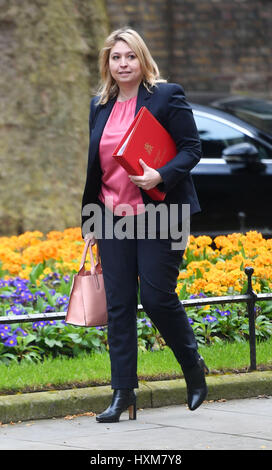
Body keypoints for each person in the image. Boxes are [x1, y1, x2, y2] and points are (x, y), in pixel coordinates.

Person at [81, 27, 209, 423]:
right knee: (119, 307)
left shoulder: (167, 96)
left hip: (160, 213)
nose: (123, 64)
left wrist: (161, 176)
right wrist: (89, 219)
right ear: (108, 63)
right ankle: (122, 394)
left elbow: (192, 148)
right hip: (111, 217)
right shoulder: (99, 104)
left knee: (156, 298)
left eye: (130, 57)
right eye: (116, 58)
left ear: (142, 59)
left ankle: (192, 366)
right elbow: (97, 167)